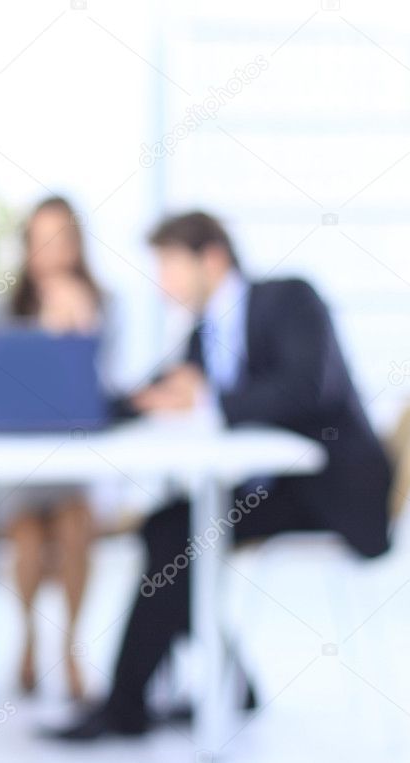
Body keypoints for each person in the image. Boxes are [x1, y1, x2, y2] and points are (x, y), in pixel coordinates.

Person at [47, 210, 391, 740]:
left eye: (169, 265)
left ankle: (129, 708)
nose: (162, 283)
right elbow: (141, 397)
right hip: (268, 489)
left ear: (212, 258)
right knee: (164, 529)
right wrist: (75, 339)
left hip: (332, 489)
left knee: (177, 535)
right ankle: (218, 686)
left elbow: (306, 387)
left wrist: (205, 398)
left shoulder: (288, 298)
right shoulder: (201, 336)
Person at [0, 195, 104, 699]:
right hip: (18, 465)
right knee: (29, 535)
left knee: (75, 524)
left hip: (74, 463)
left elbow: (110, 387)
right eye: (41, 241)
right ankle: (27, 638)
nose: (52, 253)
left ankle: (71, 646)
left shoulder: (102, 303)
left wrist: (81, 328)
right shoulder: (4, 306)